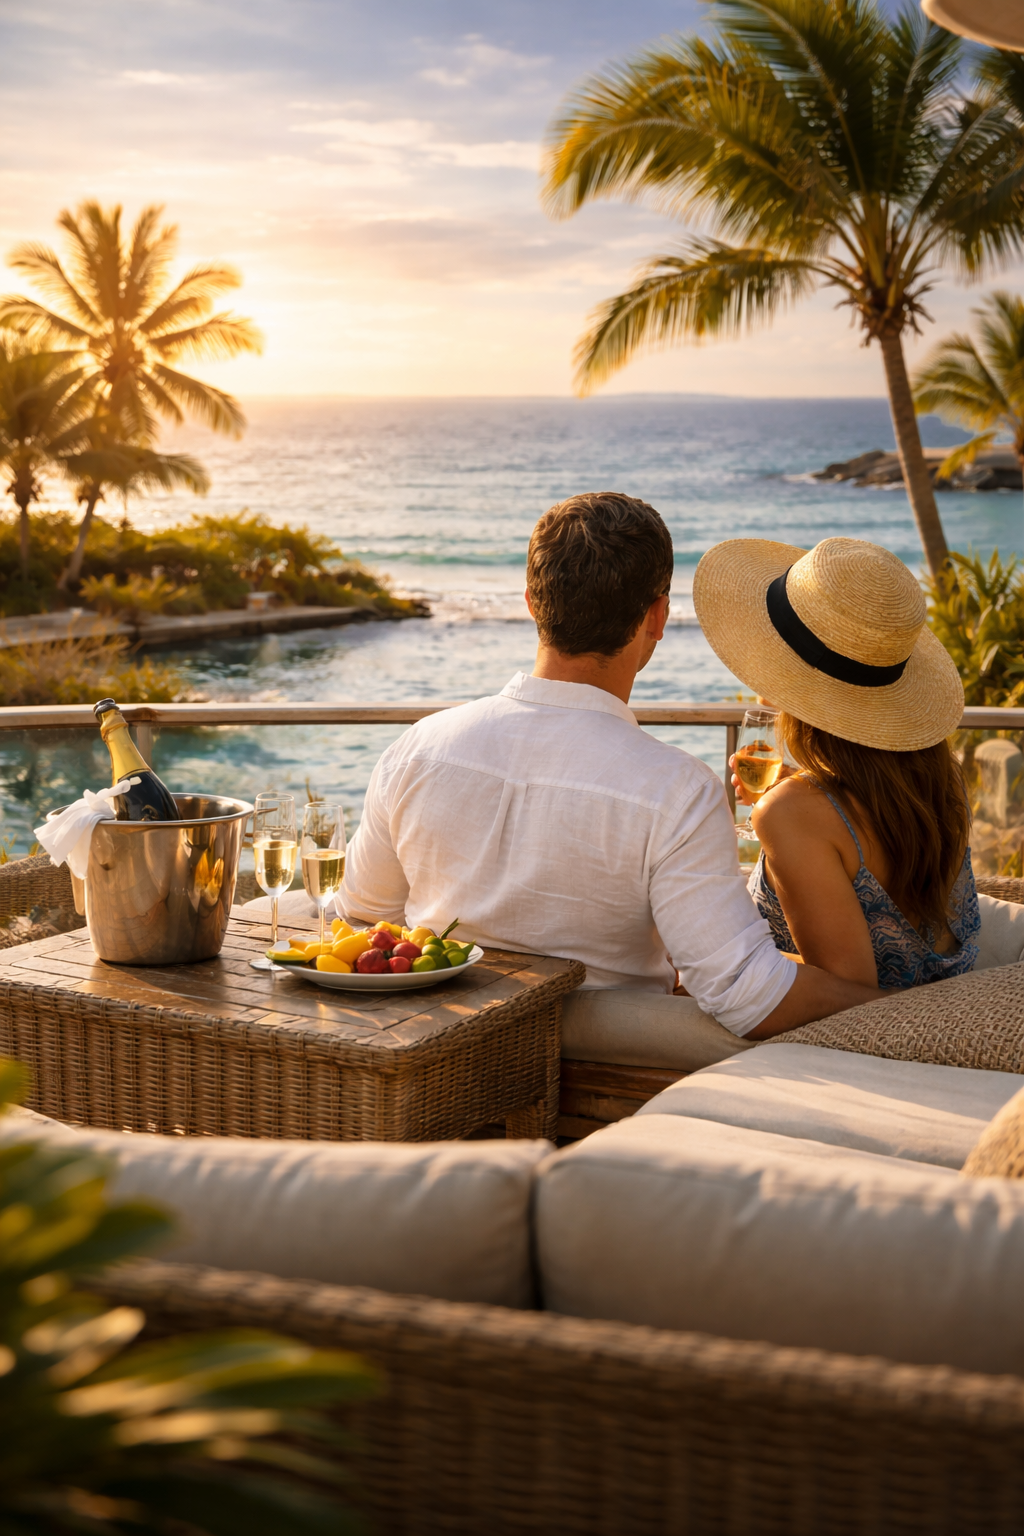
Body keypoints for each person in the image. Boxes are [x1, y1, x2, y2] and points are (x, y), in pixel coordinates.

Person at [341, 493, 884, 1043]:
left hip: (440, 1053)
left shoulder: (416, 749)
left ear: (532, 602)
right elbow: (746, 996)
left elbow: (362, 920)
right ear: (657, 616)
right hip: (612, 1078)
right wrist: (899, 1004)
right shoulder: (675, 790)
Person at [692, 535, 978, 989]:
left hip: (850, 1039)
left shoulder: (790, 814)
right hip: (948, 1004)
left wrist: (714, 955)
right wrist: (805, 789)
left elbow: (848, 986)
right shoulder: (939, 777)